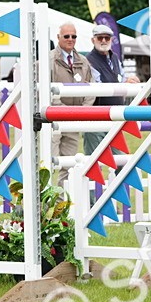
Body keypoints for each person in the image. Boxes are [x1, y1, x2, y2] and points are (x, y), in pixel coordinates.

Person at [49, 23, 93, 184]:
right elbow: (46, 90)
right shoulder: (48, 60)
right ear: (58, 37)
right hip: (53, 119)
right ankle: (45, 201)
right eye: (66, 36)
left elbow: (91, 87)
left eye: (73, 36)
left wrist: (82, 112)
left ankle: (62, 205)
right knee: (49, 163)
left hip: (74, 120)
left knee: (69, 165)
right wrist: (65, 111)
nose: (70, 39)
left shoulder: (83, 61)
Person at [84, 24, 134, 155]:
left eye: (107, 38)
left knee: (121, 160)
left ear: (111, 39)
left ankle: (124, 176)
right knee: (93, 161)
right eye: (100, 38)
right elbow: (99, 85)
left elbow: (122, 78)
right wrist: (124, 83)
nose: (104, 41)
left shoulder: (115, 58)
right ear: (93, 40)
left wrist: (129, 81)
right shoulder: (88, 60)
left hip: (115, 116)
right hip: (96, 117)